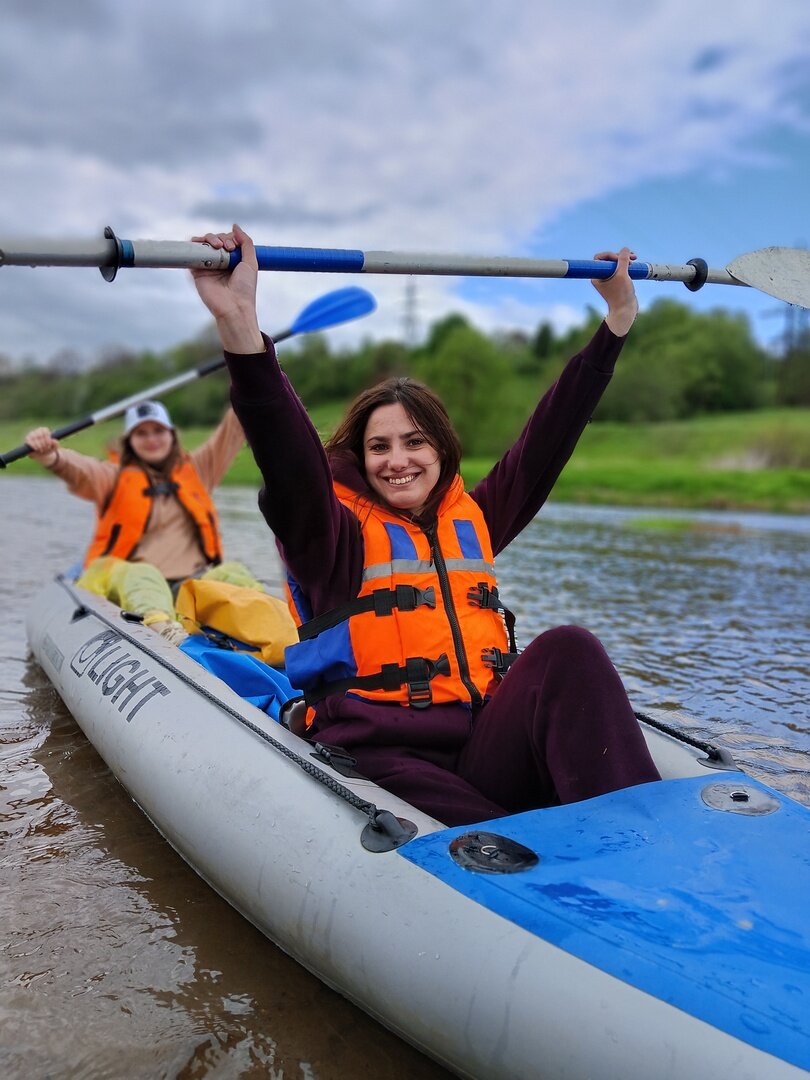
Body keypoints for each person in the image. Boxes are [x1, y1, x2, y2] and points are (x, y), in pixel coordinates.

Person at [191, 224, 661, 827]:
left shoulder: (477, 518)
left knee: (571, 647)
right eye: (379, 446)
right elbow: (286, 454)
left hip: (478, 742)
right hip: (385, 758)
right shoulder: (330, 535)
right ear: (359, 460)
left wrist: (617, 321)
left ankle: (646, 841)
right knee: (492, 830)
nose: (398, 460)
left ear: (440, 452)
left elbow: (549, 438)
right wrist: (241, 325)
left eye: (415, 442)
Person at [25, 400, 258, 642]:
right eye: (141, 433)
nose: (151, 439)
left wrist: (254, 374)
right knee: (143, 575)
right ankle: (165, 633)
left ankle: (280, 633)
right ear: (129, 441)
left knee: (233, 573)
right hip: (123, 580)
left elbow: (232, 429)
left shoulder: (199, 470)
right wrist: (50, 454)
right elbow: (79, 469)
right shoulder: (112, 477)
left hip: (188, 583)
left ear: (171, 435)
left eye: (158, 431)